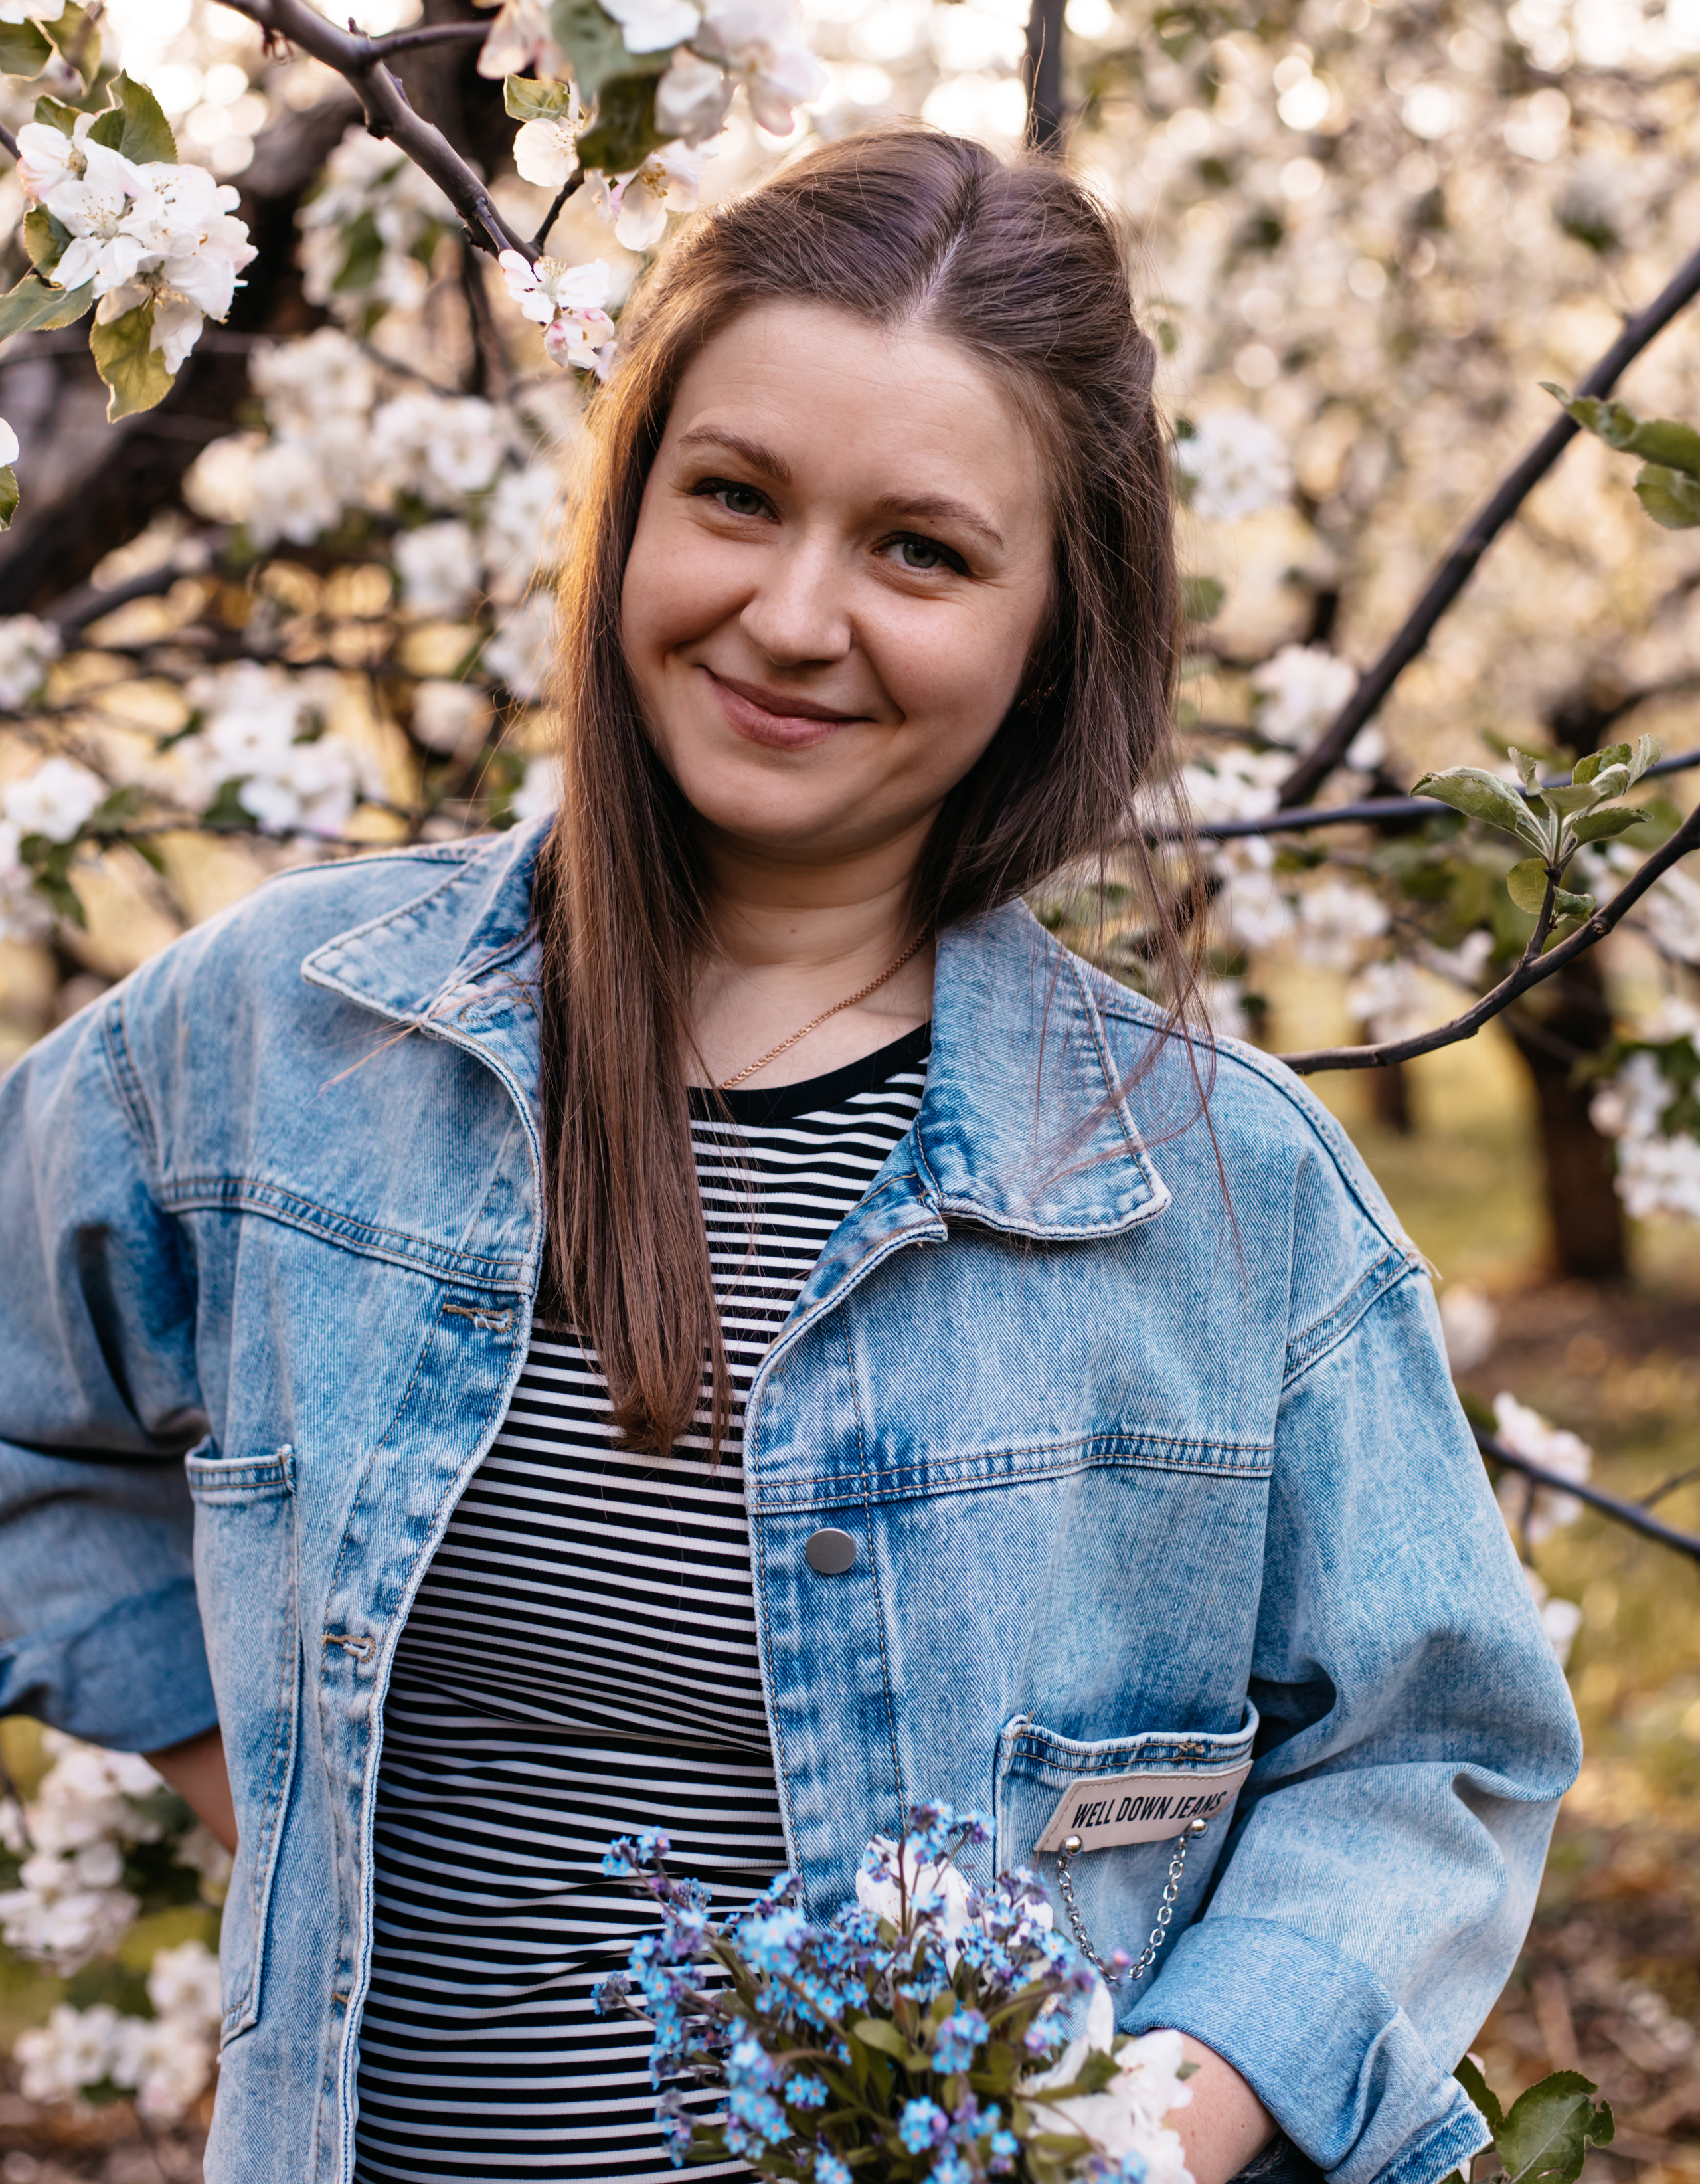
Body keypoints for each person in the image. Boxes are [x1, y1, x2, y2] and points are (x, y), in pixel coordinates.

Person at [0, 126, 1578, 2184]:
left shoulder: (1222, 1199)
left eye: (920, 549)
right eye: (734, 498)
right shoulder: (284, 1033)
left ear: (1050, 626)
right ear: (631, 505)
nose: (793, 614)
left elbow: (1437, 1751)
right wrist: (280, 1772)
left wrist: (1152, 2129)